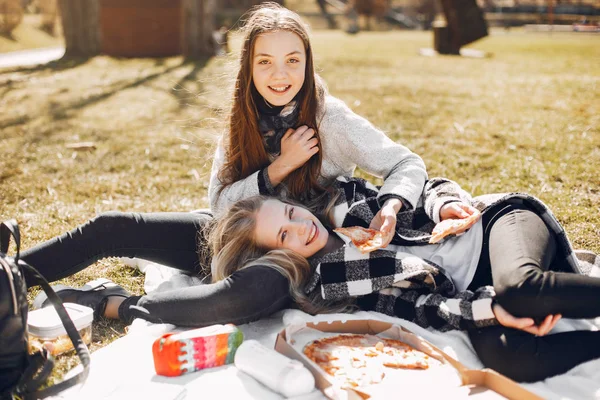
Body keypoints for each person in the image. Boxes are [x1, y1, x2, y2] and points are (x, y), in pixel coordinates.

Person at [24, 3, 426, 328]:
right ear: (248, 67)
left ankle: (113, 304)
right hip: (236, 240)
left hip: (294, 261)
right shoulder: (243, 119)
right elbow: (219, 205)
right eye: (265, 62)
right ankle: (13, 275)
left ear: (308, 62)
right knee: (112, 226)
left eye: (292, 60)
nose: (280, 74)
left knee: (236, 298)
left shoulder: (331, 121)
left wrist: (392, 205)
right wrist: (278, 169)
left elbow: (406, 163)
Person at [207, 176, 600, 383]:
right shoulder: (337, 285)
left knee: (522, 288)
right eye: (283, 236)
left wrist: (442, 203)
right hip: (477, 283)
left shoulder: (345, 201)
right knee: (505, 354)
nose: (300, 228)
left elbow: (426, 184)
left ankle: (525, 293)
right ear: (279, 256)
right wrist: (489, 309)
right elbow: (423, 308)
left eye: (290, 215)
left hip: (491, 226)